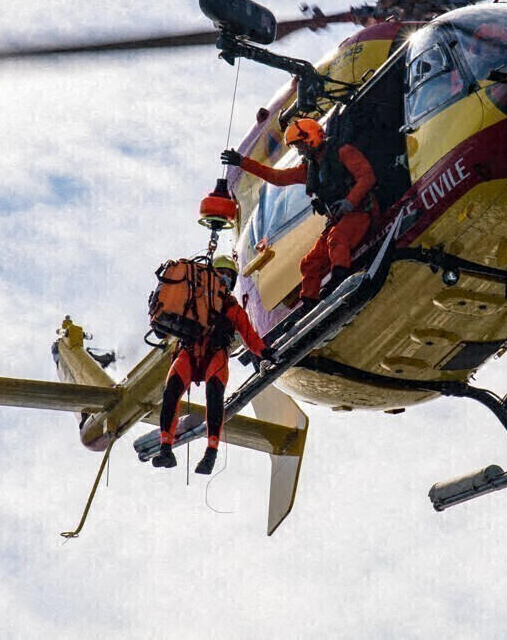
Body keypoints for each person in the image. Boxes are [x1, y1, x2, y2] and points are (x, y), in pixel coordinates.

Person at [221, 117, 377, 309]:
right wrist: (243, 162)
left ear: (311, 137)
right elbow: (277, 177)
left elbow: (367, 177)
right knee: (309, 263)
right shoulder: (308, 170)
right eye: (297, 147)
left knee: (337, 238)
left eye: (300, 145)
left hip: (361, 212)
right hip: (339, 220)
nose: (300, 151)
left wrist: (349, 202)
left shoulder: (343, 152)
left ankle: (341, 280)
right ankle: (310, 303)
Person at [154, 255, 273, 475]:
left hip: (214, 355)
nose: (225, 279)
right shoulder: (192, 297)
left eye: (229, 276)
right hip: (188, 353)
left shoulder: (232, 308)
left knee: (214, 396)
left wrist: (264, 352)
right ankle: (165, 448)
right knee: (170, 393)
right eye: (222, 274)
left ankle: (210, 452)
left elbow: (249, 335)